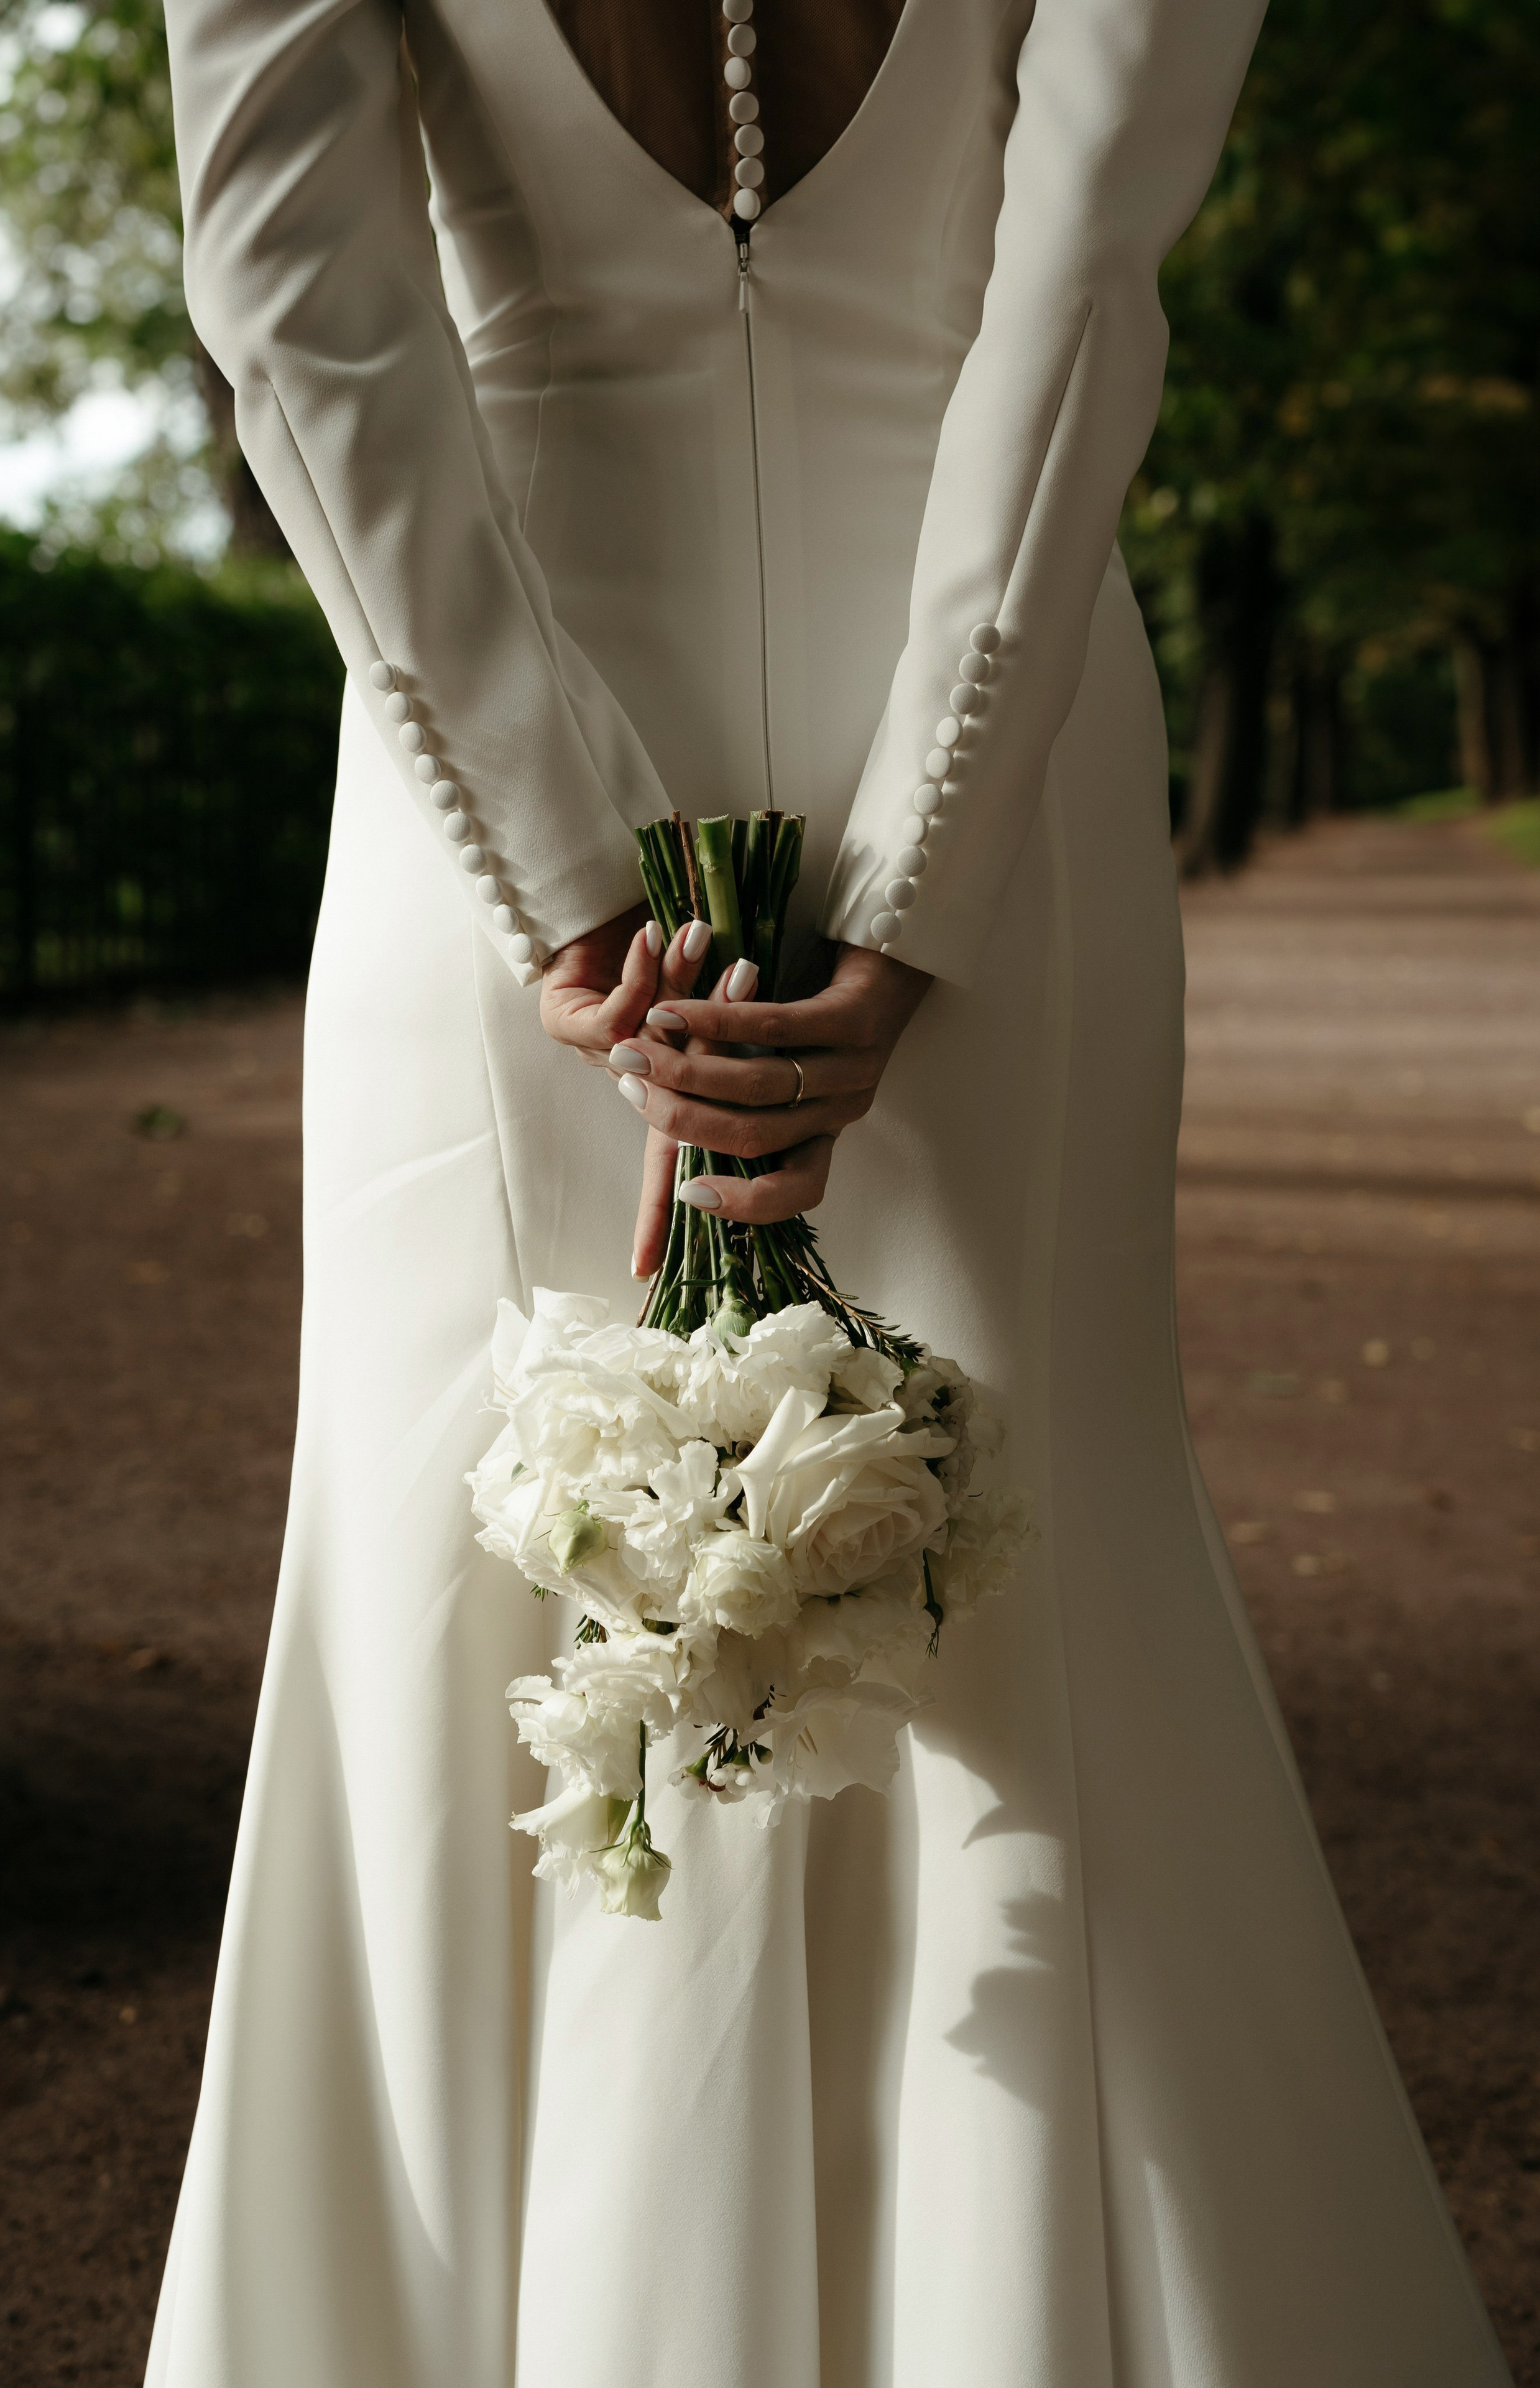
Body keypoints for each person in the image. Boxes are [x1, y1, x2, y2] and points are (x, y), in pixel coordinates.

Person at [147, 1, 1512, 2381]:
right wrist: (923, 881)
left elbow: (293, 286)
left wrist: (567, 887)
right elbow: (1081, 260)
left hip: (501, 691)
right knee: (1021, 1584)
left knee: (472, 1610)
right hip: (994, 681)